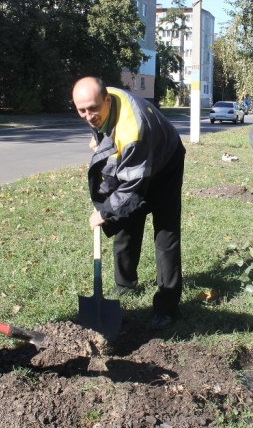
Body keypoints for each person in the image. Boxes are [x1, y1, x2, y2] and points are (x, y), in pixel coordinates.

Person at [72, 76, 185, 330]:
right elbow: (115, 166)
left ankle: (166, 307)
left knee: (165, 235)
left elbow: (132, 187)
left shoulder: (131, 130)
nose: (89, 116)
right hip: (138, 159)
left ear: (107, 101)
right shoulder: (101, 100)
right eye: (82, 110)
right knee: (126, 224)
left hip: (166, 162)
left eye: (93, 109)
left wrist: (106, 210)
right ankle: (125, 284)